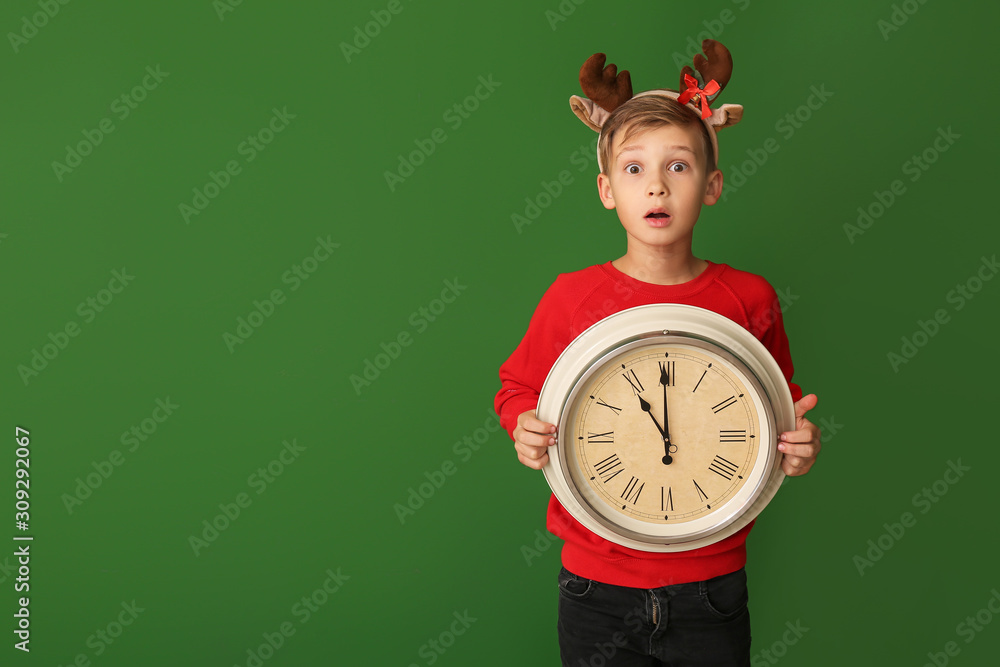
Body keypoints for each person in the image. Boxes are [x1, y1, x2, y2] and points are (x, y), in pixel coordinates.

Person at [494, 40, 822, 666]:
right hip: (596, 582)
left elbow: (774, 419)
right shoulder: (571, 298)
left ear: (713, 184)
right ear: (606, 189)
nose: (658, 187)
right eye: (635, 168)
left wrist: (797, 449)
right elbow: (515, 389)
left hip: (711, 583)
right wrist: (524, 427)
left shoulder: (749, 298)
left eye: (679, 166)